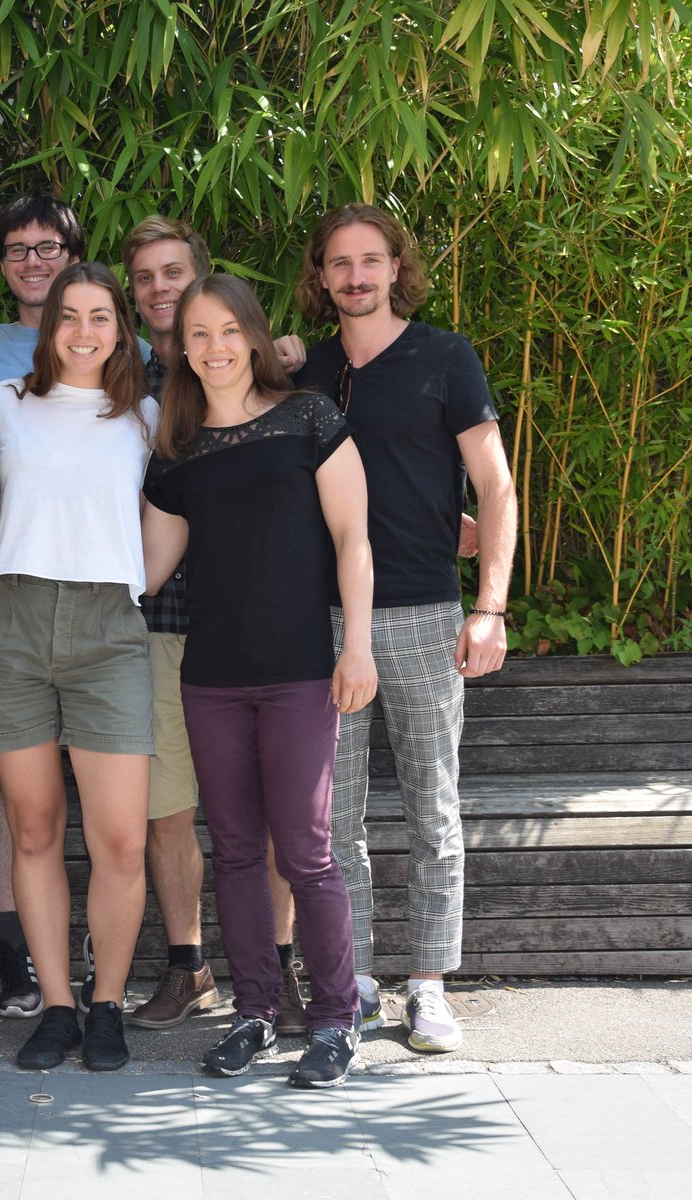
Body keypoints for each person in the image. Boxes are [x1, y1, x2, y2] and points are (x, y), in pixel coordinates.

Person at [143, 274, 375, 1087]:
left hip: (300, 670)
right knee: (237, 850)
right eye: (195, 334)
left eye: (226, 331)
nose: (213, 348)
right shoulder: (177, 450)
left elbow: (353, 538)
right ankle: (254, 1011)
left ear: (251, 334)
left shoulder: (309, 417)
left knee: (307, 852)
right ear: (182, 348)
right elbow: (144, 567)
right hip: (210, 676)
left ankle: (336, 1019)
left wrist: (359, 648)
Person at [295, 203, 517, 1053]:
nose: (355, 276)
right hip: (322, 620)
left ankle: (428, 985)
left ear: (396, 267)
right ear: (320, 276)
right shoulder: (308, 371)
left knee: (432, 806)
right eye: (339, 263)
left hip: (424, 610)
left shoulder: (443, 357)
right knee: (333, 818)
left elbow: (494, 488)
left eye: (370, 261)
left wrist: (490, 606)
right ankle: (351, 982)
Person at [0, 261, 158, 1072]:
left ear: (122, 329)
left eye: (100, 317)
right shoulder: (3, 404)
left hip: (110, 628)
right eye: (69, 316)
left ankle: (107, 1002)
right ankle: (57, 1005)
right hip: (9, 622)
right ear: (48, 328)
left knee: (119, 840)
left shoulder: (147, 414)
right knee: (34, 831)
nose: (83, 331)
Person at [121, 216, 310, 1035]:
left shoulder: (260, 374)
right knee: (170, 810)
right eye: (146, 279)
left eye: (175, 273)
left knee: (271, 817)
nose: (161, 289)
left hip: (261, 627)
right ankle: (189, 965)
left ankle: (277, 969)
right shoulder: (113, 377)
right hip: (161, 624)